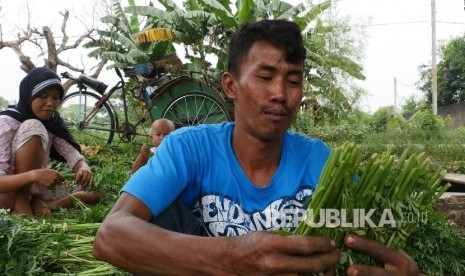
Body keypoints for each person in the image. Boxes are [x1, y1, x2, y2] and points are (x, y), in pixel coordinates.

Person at [93, 20, 419, 275]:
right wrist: (234, 257)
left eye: (293, 81)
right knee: (160, 214)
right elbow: (111, 236)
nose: (280, 93)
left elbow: (375, 232)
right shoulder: (188, 148)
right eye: (265, 77)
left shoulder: (323, 163)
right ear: (231, 86)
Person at [0, 67, 100, 218]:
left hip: (36, 186)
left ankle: (44, 204)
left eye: (56, 97)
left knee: (94, 193)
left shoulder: (51, 123)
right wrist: (33, 176)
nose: (50, 103)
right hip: (7, 193)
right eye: (43, 96)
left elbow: (70, 153)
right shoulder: (6, 122)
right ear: (29, 95)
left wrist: (83, 167)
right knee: (33, 125)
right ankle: (22, 205)